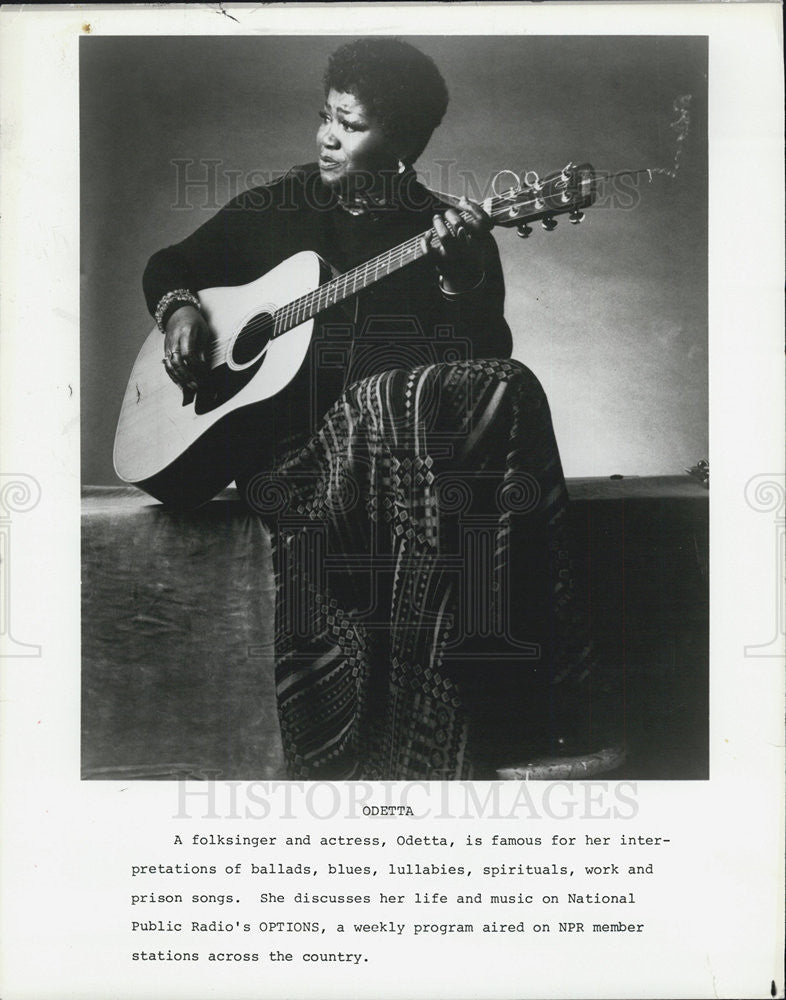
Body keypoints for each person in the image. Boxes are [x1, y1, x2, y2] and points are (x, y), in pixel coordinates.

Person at [143, 37, 623, 780]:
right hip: (294, 466)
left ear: (402, 141)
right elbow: (172, 264)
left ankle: (541, 707)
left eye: (351, 124)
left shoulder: (448, 233)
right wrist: (179, 311)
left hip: (398, 468)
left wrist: (460, 281)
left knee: (507, 382)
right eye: (326, 116)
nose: (327, 136)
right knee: (393, 396)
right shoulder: (283, 202)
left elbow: (479, 367)